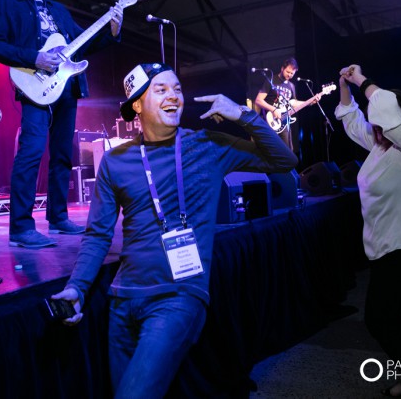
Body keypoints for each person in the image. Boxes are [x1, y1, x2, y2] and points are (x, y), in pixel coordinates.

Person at [52, 63, 298, 398]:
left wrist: (244, 115)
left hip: (179, 298)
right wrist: (76, 289)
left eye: (177, 89)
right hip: (122, 301)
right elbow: (97, 235)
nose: (174, 96)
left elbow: (284, 161)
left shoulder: (208, 146)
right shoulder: (116, 161)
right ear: (137, 105)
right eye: (161, 89)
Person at [0, 0, 124, 248]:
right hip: (34, 84)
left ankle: (58, 217)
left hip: (66, 86)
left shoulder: (58, 9)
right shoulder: (7, 3)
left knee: (62, 153)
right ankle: (21, 228)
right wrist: (34, 57)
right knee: (32, 151)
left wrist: (112, 29)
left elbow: (81, 45)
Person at [335, 64, 401, 398]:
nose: (376, 124)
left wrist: (361, 80)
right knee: (386, 317)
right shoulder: (380, 147)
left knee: (381, 317)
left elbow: (387, 110)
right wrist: (344, 85)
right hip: (388, 247)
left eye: (383, 119)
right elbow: (352, 120)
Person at [254, 57, 314, 152]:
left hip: (283, 123)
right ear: (282, 68)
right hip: (269, 121)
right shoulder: (271, 80)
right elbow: (258, 100)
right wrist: (273, 109)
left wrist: (309, 102)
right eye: (288, 72)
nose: (289, 75)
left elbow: (293, 103)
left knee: (288, 151)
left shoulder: (291, 86)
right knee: (269, 151)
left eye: (292, 73)